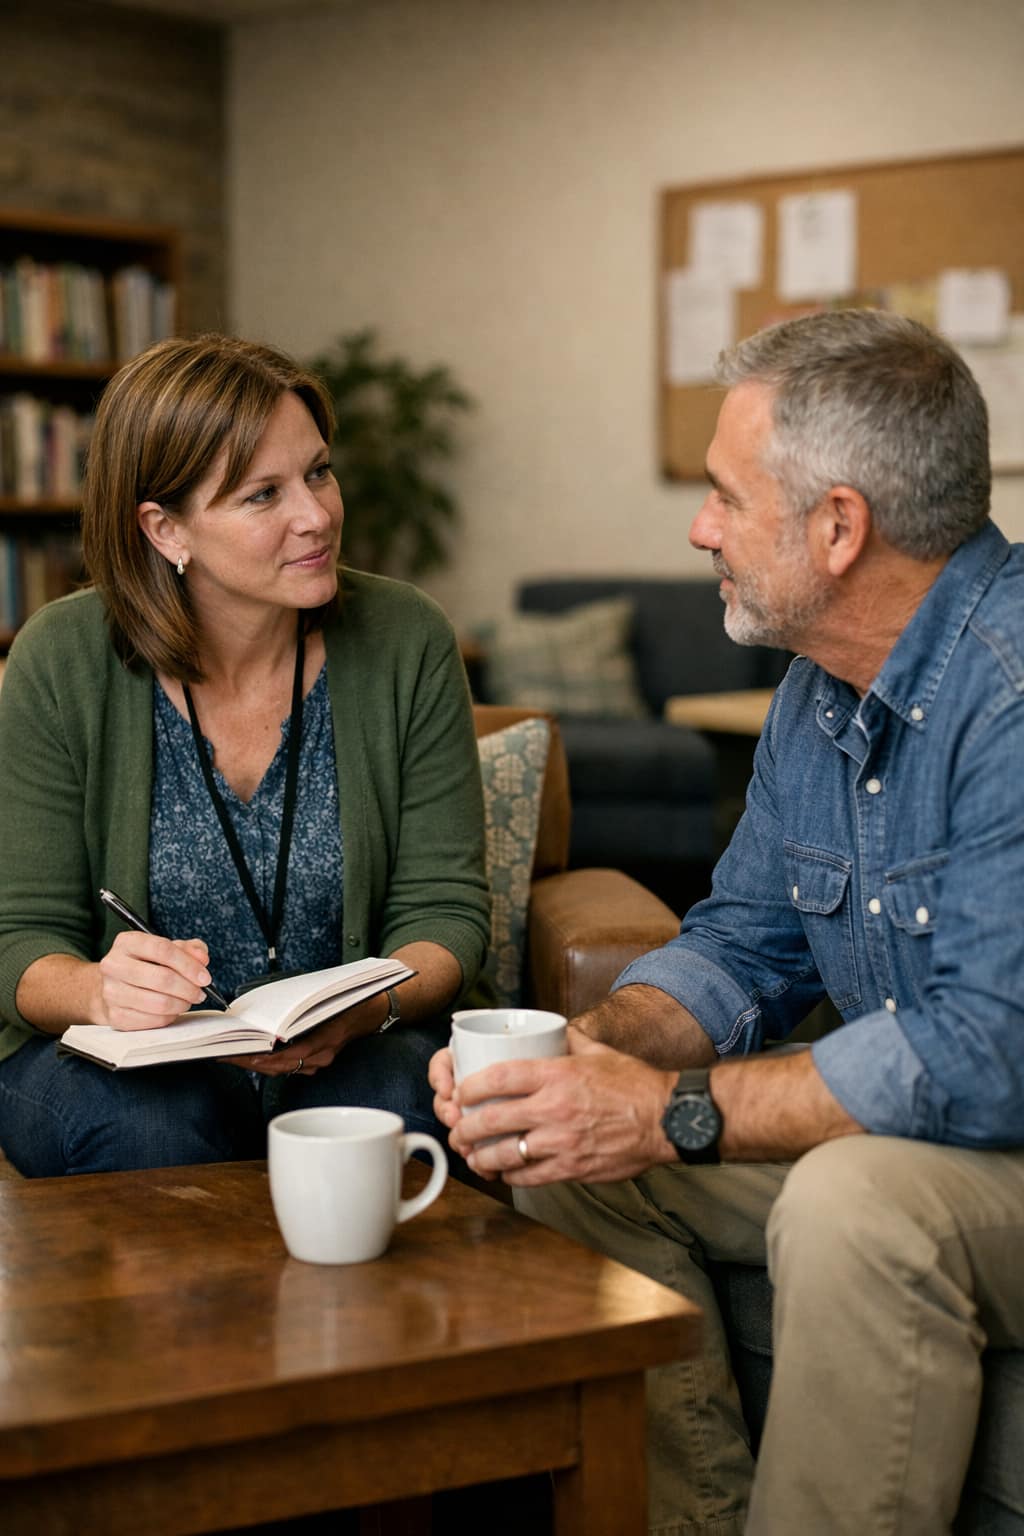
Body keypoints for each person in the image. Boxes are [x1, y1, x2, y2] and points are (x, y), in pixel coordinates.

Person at [430, 309, 1024, 1536]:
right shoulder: (819, 691)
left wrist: (669, 1112)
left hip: (996, 1137)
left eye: (723, 497)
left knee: (853, 1205)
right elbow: (742, 939)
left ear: (838, 527)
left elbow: (988, 1054)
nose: (698, 529)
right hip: (912, 1135)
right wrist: (599, 1053)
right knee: (568, 1167)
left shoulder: (1008, 694)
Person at [0, 332, 490, 1177]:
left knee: (395, 1111)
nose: (317, 515)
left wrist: (367, 1008)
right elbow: (19, 936)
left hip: (356, 1050)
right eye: (264, 494)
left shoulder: (407, 636)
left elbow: (445, 913)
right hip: (120, 1065)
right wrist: (98, 992)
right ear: (164, 528)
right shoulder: (60, 656)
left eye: (319, 472)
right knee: (151, 1131)